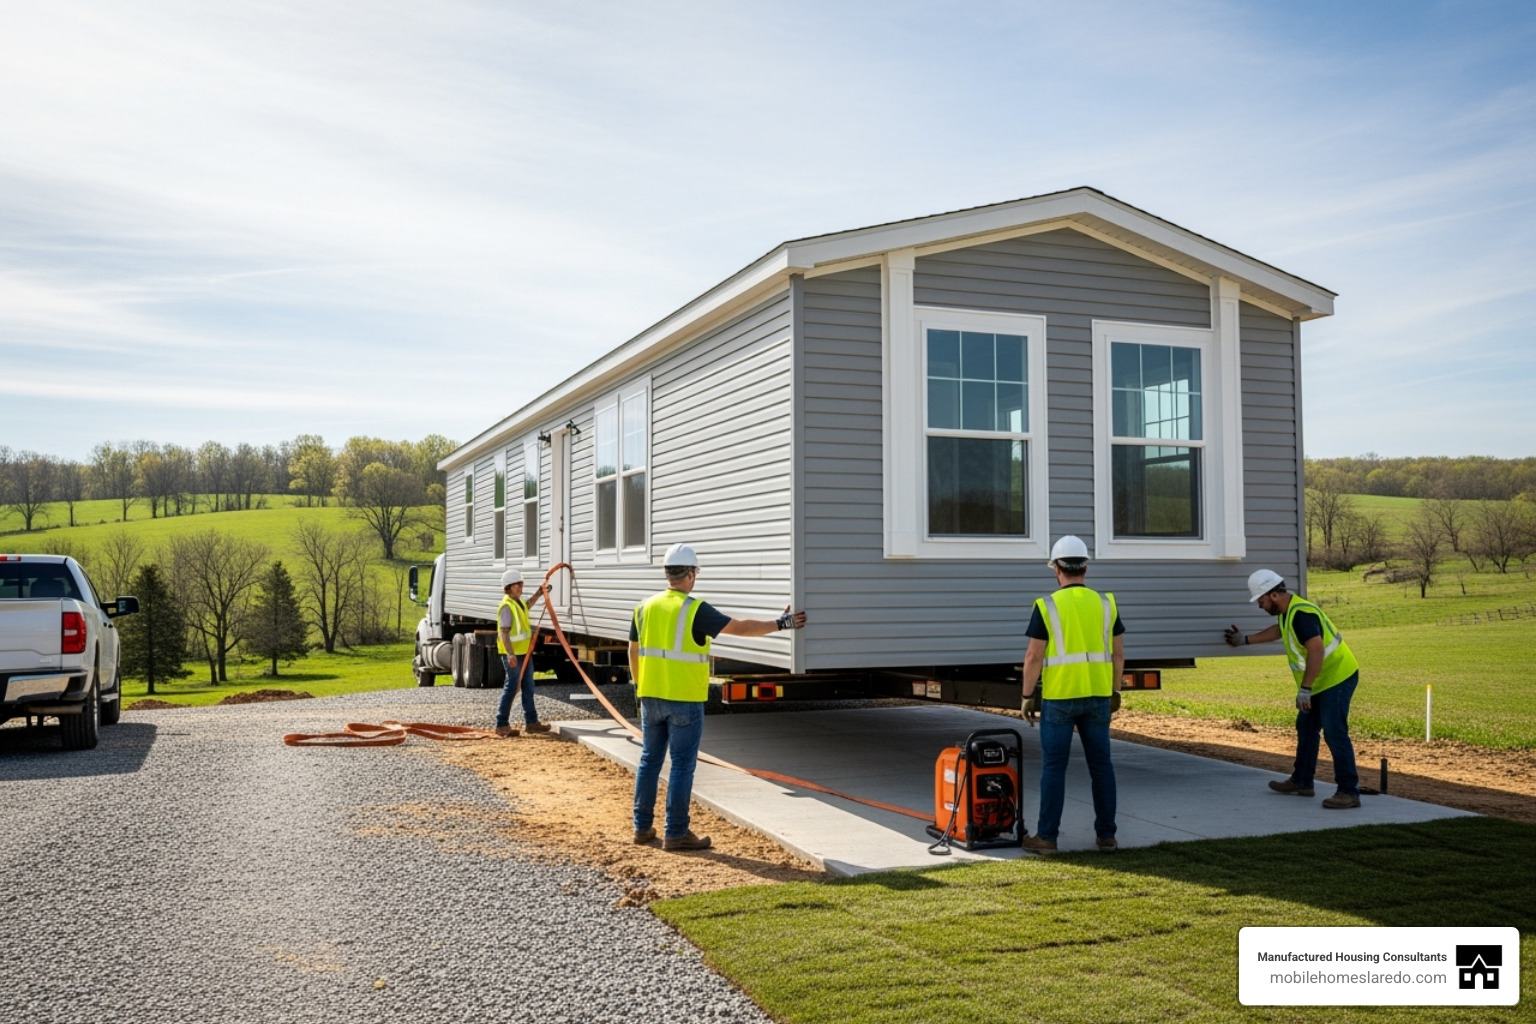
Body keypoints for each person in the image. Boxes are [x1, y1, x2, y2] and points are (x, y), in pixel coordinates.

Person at [630, 543, 807, 851]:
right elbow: (741, 628)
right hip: (683, 699)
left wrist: (639, 686)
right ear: (690, 574)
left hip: (650, 696)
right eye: (695, 572)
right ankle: (676, 833)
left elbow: (633, 650)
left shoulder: (644, 607)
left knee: (649, 761)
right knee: (682, 765)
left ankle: (642, 829)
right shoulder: (694, 609)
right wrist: (783, 623)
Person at [1019, 535, 1125, 853]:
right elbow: (1119, 654)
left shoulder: (1047, 605)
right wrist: (1115, 690)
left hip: (1060, 698)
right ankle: (1107, 835)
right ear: (1086, 567)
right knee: (1102, 767)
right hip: (1097, 696)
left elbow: (1033, 657)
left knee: (1054, 767)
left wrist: (1026, 695)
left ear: (1056, 569)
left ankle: (1047, 838)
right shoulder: (1106, 604)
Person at [1224, 569, 1361, 809]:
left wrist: (1305, 689)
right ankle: (1302, 782)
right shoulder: (1289, 613)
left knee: (1334, 732)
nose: (1260, 606)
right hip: (1319, 681)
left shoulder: (1301, 615)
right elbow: (1279, 630)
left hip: (1336, 677)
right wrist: (1245, 640)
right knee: (1306, 728)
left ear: (1274, 595)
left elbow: (1316, 651)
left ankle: (1349, 792)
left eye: (1261, 601)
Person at [494, 569, 550, 737]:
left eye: (521, 584)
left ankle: (532, 723)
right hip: (513, 655)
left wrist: (539, 593)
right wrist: (510, 654)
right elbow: (504, 633)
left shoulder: (518, 603)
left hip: (524, 653)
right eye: (517, 585)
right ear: (508, 588)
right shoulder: (507, 606)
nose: (520, 587)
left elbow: (528, 604)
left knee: (528, 687)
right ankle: (501, 724)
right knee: (512, 687)